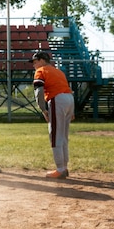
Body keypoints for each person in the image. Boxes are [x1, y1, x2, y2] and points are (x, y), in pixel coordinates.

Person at [30, 50, 75, 178]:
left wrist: (43, 109)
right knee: (63, 137)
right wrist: (72, 110)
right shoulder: (58, 71)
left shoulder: (41, 71)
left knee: (55, 136)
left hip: (57, 99)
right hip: (69, 99)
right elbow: (68, 89)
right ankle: (64, 167)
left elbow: (39, 92)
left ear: (42, 60)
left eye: (35, 61)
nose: (33, 64)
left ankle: (60, 169)